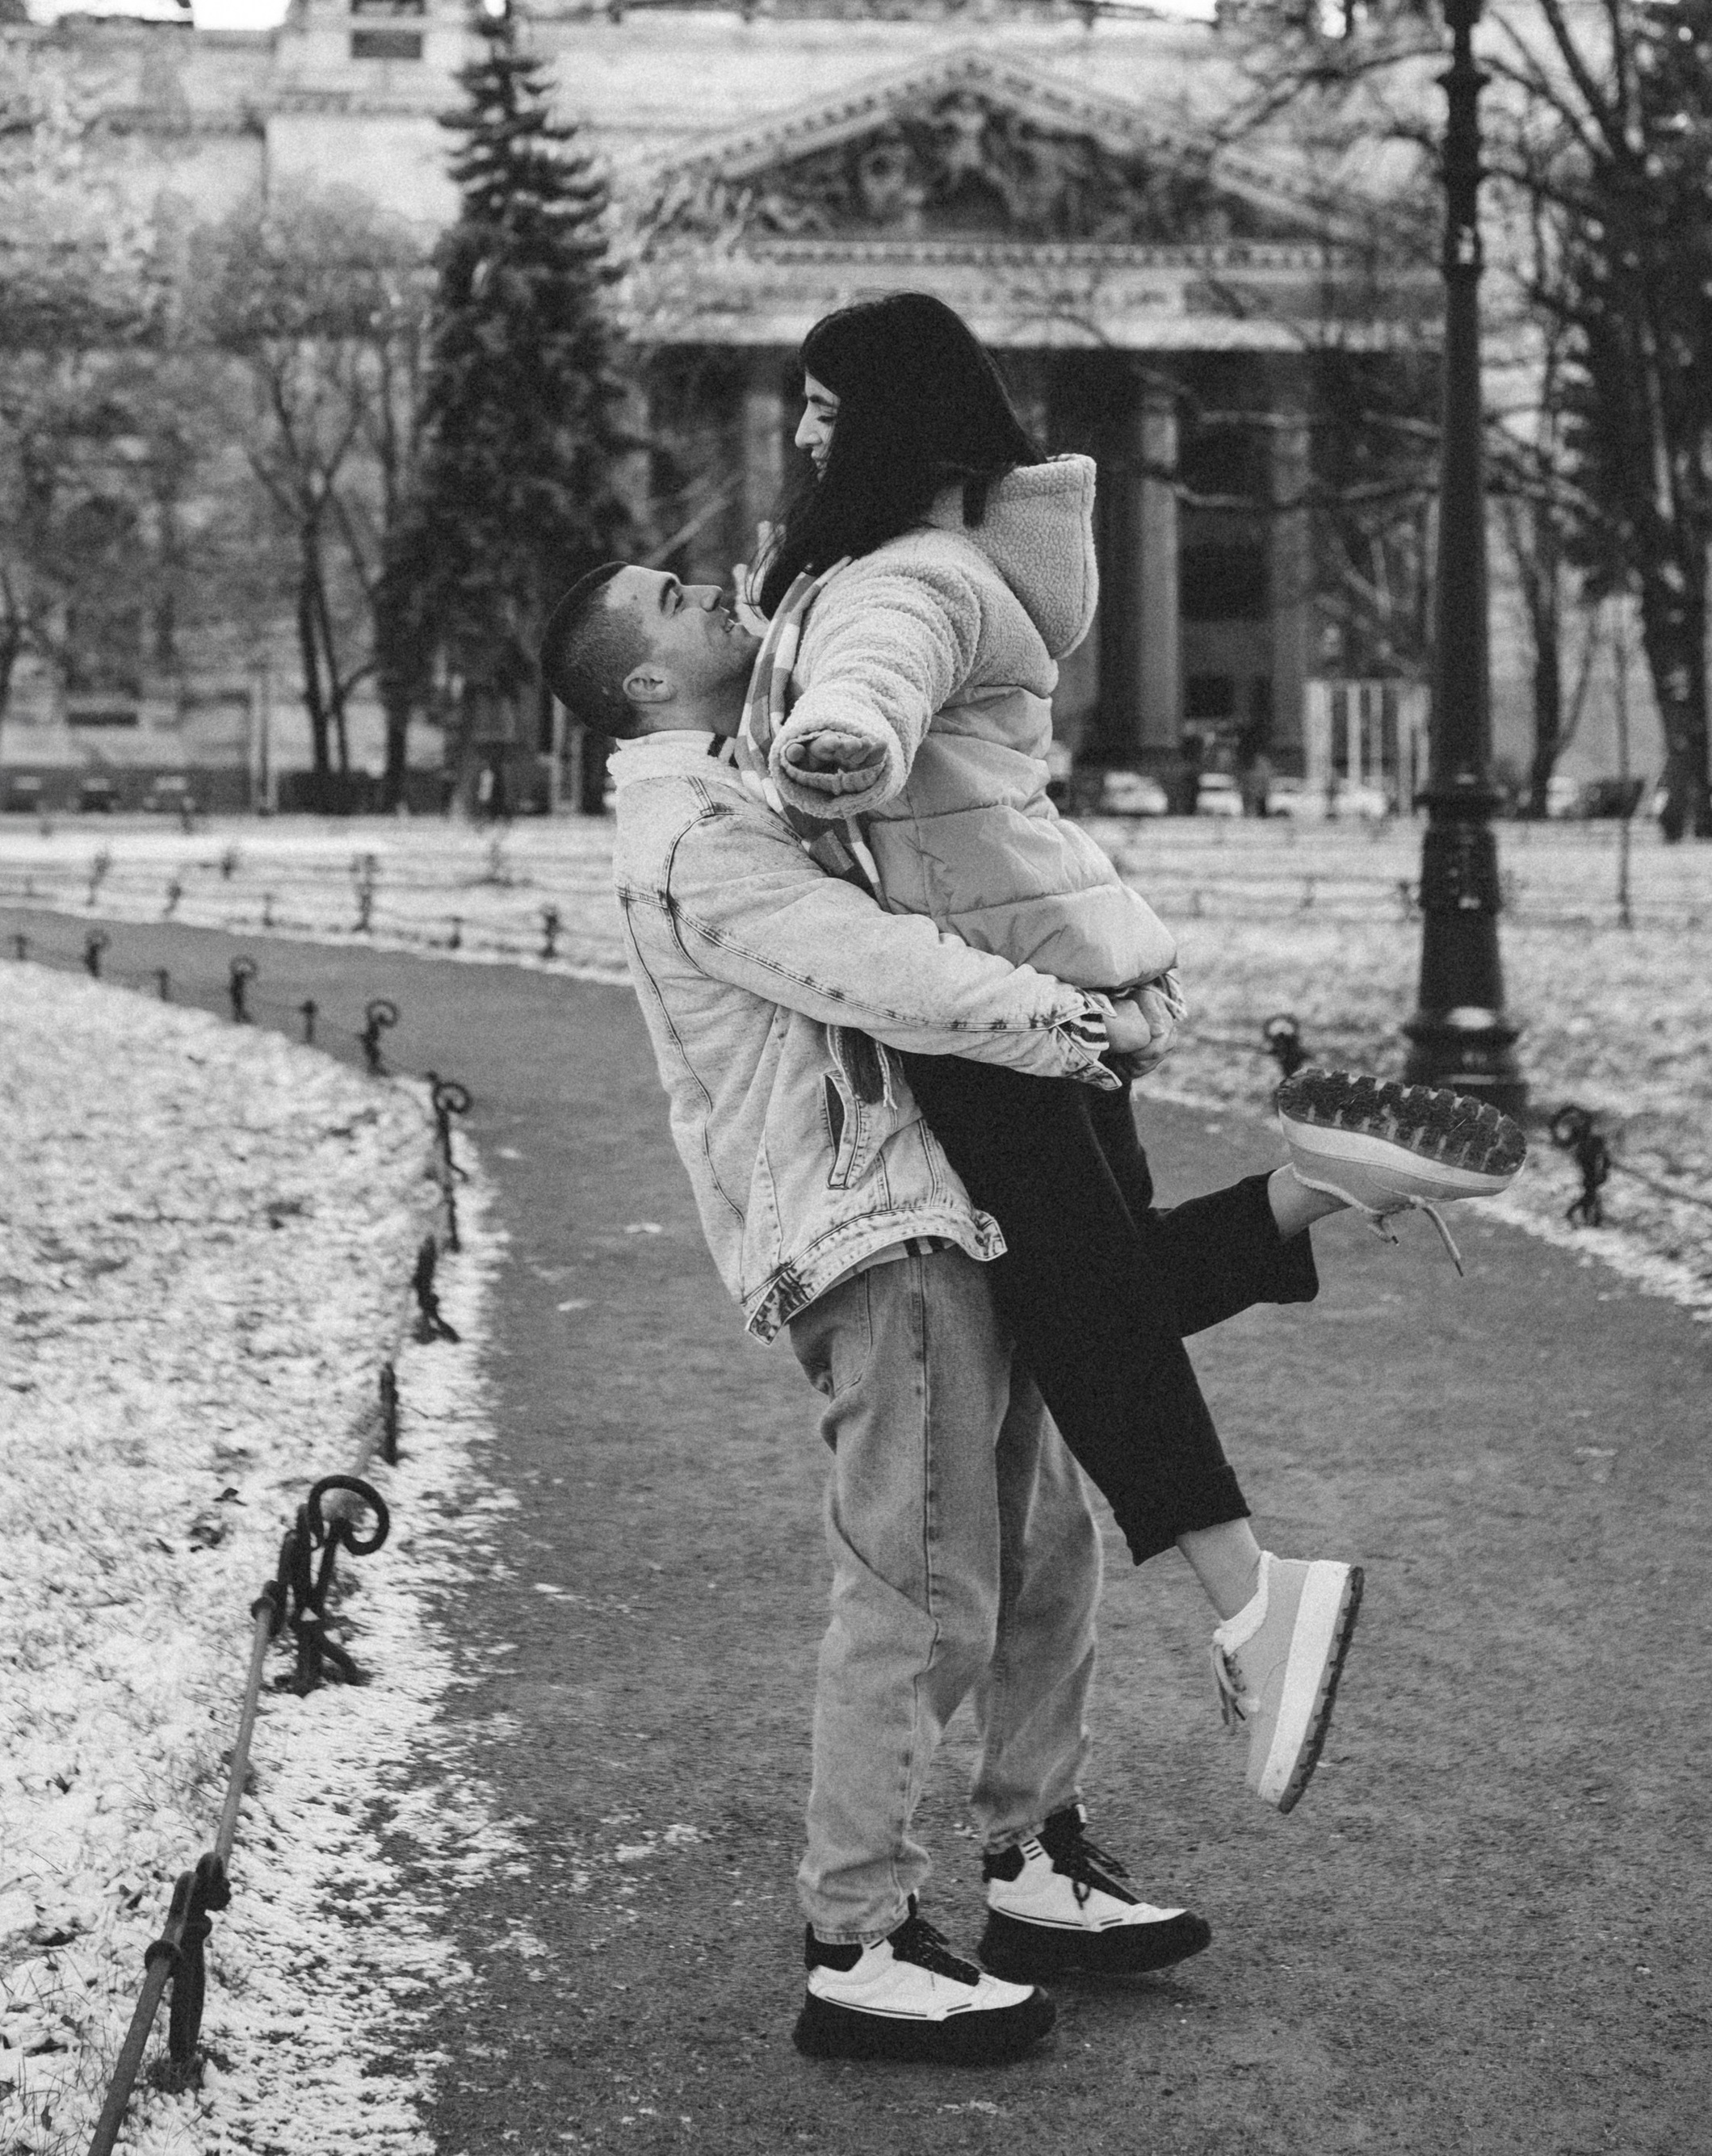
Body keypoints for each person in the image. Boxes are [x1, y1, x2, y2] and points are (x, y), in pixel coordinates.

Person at [539, 560, 1358, 2068]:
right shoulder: (695, 838)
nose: (709, 588)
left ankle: (1034, 1857)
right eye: (671, 597)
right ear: (642, 683)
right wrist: (1077, 1016)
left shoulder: (764, 780)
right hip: (878, 1236)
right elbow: (893, 974)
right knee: (920, 1590)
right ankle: (855, 1940)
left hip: (952, 1206)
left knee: (1042, 1555)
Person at [741, 292, 1522, 1664]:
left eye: (824, 408)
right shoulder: (931, 562)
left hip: (986, 994)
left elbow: (880, 672)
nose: (804, 435)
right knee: (1113, 1285)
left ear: (890, 423)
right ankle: (1325, 1183)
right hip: (1045, 969)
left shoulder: (914, 578)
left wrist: (841, 734)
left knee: (1088, 1314)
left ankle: (1256, 1599)